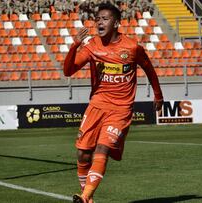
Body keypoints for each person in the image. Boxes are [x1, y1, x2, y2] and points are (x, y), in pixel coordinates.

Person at [63, 3, 163, 203]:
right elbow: (68, 71)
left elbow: (149, 69)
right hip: (96, 105)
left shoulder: (132, 47)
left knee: (102, 149)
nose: (100, 21)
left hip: (120, 109)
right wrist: (75, 45)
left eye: (105, 18)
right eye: (98, 18)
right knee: (82, 154)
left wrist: (158, 94)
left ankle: (85, 197)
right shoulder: (91, 46)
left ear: (116, 23)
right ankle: (87, 198)